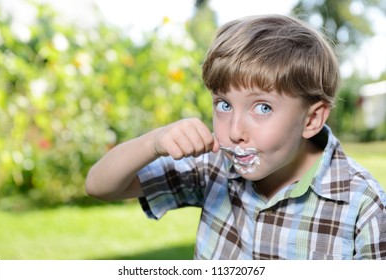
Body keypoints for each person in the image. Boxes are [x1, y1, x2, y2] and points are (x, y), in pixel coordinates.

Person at [85, 14, 386, 259]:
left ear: (312, 119)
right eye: (224, 104)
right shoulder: (212, 166)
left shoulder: (363, 207)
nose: (234, 131)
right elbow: (100, 185)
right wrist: (153, 142)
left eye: (263, 107)